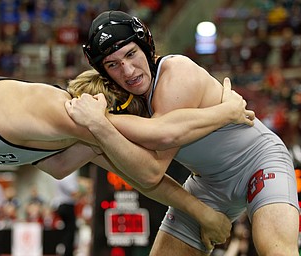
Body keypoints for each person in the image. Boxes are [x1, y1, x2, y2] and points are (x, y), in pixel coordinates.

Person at [65, 10, 299, 255]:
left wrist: (100, 119)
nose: (128, 71)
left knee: (276, 250)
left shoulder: (175, 72)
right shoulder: (129, 105)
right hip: (209, 184)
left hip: (259, 163)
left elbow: (154, 166)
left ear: (146, 47)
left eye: (131, 54)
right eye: (113, 65)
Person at [0, 72, 253, 254]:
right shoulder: (63, 110)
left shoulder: (83, 139)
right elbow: (155, 154)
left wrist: (202, 213)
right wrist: (223, 113)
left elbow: (139, 178)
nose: (133, 141)